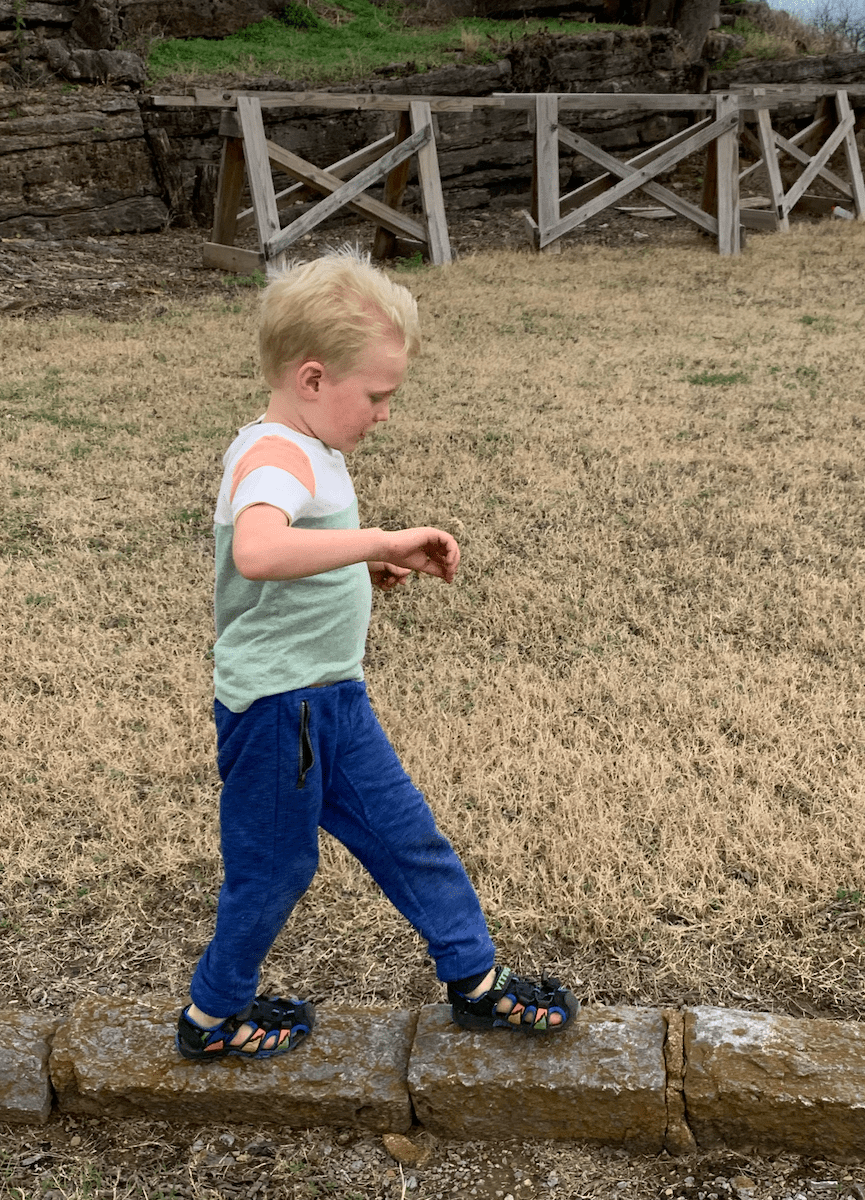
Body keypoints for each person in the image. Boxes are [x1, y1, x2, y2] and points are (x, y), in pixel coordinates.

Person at [175, 249, 579, 1060]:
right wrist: (386, 536)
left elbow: (298, 548)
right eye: (379, 396)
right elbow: (258, 548)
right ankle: (211, 1018)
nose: (385, 415)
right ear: (315, 380)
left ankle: (475, 982)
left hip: (333, 701)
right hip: (278, 713)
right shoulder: (272, 455)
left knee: (408, 838)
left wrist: (359, 560)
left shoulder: (311, 449)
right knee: (275, 870)